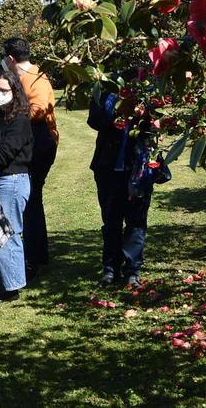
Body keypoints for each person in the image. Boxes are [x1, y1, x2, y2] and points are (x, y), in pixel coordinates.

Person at [87, 86, 160, 289]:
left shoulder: (149, 89)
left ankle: (132, 271)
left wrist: (141, 111)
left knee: (136, 220)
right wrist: (117, 102)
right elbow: (95, 120)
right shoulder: (104, 91)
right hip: (108, 167)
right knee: (111, 220)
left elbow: (158, 123)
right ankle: (110, 269)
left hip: (138, 166)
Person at [4, 38, 59, 275]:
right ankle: (35, 253)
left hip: (39, 143)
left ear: (10, 59)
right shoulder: (25, 77)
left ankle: (33, 257)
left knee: (30, 198)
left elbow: (39, 110)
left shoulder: (35, 78)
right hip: (32, 141)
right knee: (31, 198)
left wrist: (11, 114)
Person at [0, 69, 33, 296]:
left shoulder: (20, 121)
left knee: (9, 232)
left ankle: (12, 285)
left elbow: (3, 155)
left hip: (13, 180)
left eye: (4, 90)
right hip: (0, 179)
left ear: (15, 92)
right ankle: (2, 281)